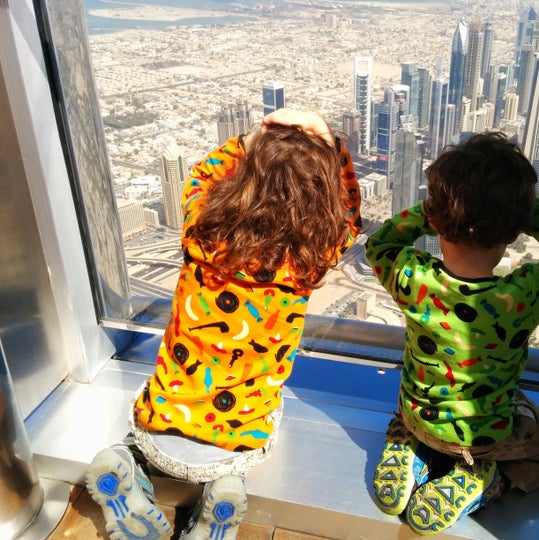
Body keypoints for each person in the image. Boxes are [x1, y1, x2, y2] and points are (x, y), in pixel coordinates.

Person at [86, 109, 361, 540]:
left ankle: (131, 462)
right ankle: (221, 493)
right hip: (239, 442)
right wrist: (332, 147)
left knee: (153, 403)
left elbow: (199, 175)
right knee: (266, 401)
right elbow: (350, 213)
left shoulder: (201, 233)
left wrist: (249, 142)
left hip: (162, 429)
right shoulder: (310, 259)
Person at [364, 131, 539, 536]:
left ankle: (408, 442)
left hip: (418, 414)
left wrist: (431, 210)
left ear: (436, 220)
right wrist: (526, 210)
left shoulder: (413, 277)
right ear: (513, 232)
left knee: (426, 397)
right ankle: (485, 478)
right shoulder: (521, 295)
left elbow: (380, 244)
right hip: (479, 438)